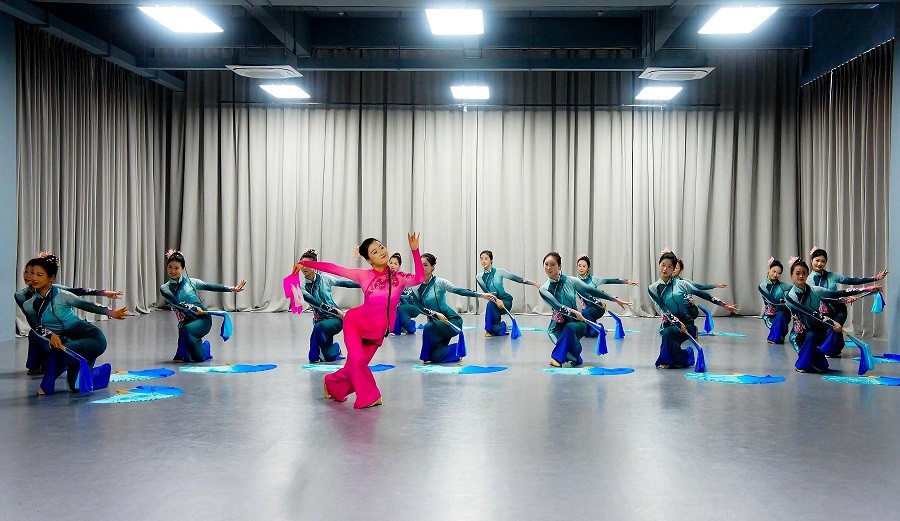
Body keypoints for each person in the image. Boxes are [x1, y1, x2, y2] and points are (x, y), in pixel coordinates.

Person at [297, 233, 425, 408]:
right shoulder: (363, 275)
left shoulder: (399, 277)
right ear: (369, 260)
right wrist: (306, 264)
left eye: (381, 247)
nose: (381, 251)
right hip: (356, 324)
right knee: (357, 361)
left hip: (378, 332)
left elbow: (420, 278)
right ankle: (371, 396)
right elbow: (334, 269)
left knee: (354, 367)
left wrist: (415, 250)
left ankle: (330, 383)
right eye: (374, 251)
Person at [15, 255, 127, 395]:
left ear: (51, 277)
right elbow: (36, 326)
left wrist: (111, 312)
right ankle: (100, 373)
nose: (33, 278)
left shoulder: (61, 294)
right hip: (65, 338)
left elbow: (85, 304)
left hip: (90, 337)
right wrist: (51, 335)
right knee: (76, 386)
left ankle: (46, 386)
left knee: (58, 353)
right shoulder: (28, 303)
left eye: (39, 275)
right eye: (31, 273)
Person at [159, 250, 246, 363]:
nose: (172, 271)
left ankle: (180, 355)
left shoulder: (191, 282)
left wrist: (232, 288)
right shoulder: (165, 288)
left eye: (176, 268)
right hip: (187, 319)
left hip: (202, 317)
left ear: (183, 269)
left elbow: (210, 286)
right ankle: (205, 347)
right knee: (198, 357)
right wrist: (193, 308)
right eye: (170, 267)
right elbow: (176, 303)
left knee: (185, 330)